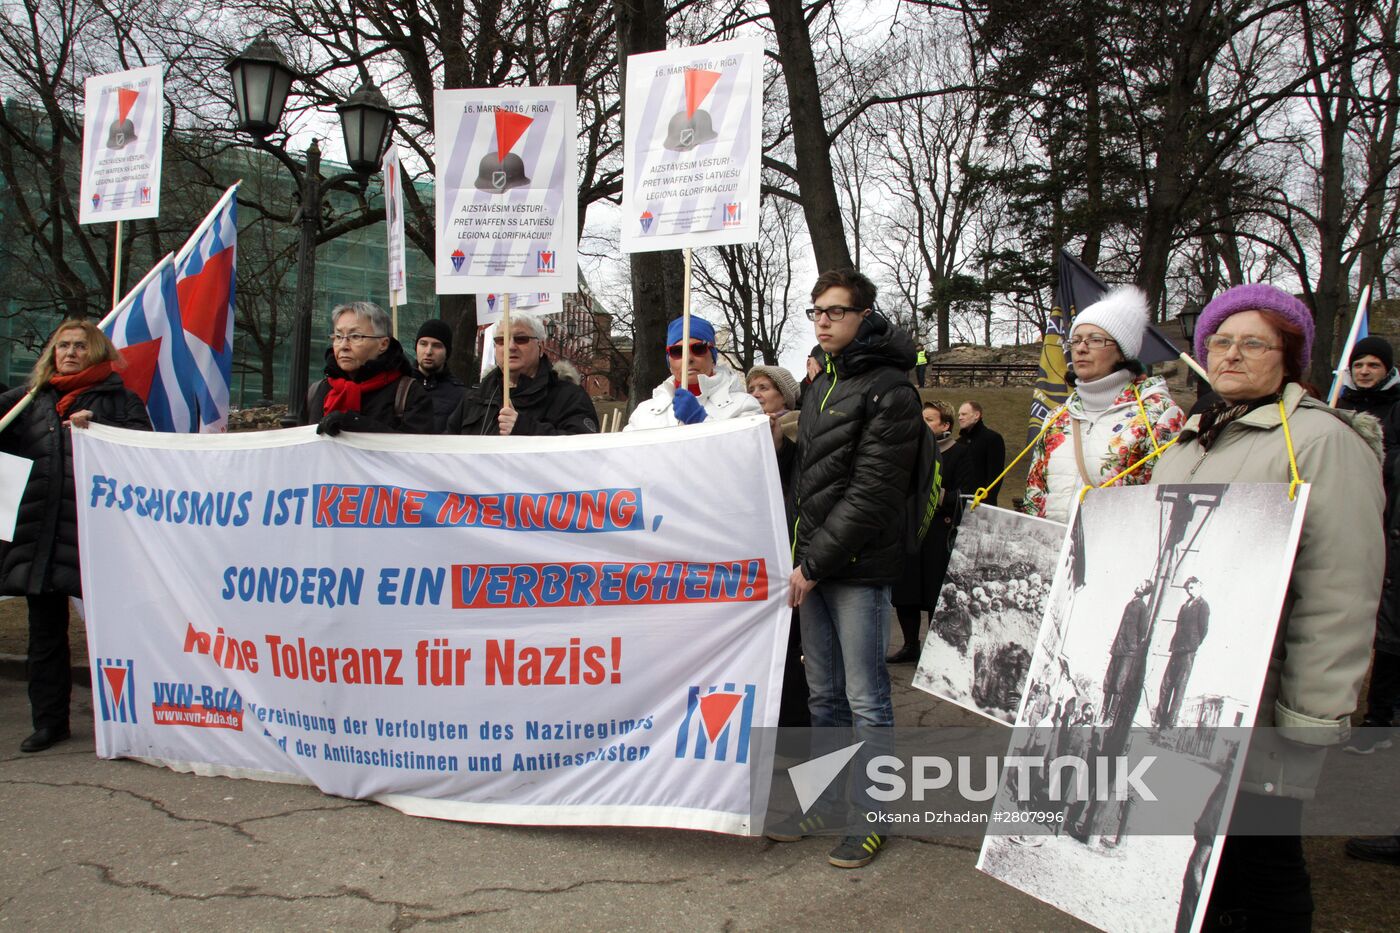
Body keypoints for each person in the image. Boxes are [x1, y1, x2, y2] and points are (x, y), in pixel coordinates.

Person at [1149, 282, 1384, 931]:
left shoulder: (1318, 441)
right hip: (1185, 701)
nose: (1231, 353)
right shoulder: (1189, 442)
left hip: (1264, 701)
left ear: (1290, 354)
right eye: (1220, 340)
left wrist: (1311, 715)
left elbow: (1340, 588)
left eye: (1254, 341)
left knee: (1264, 863)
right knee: (1199, 862)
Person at [779, 268, 921, 869]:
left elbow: (872, 494)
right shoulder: (820, 386)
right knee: (823, 695)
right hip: (813, 568)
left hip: (856, 570)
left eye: (836, 311)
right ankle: (827, 798)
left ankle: (871, 817)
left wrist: (812, 562)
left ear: (865, 316)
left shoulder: (892, 389)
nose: (824, 321)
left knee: (867, 701)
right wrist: (798, 558)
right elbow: (808, 483)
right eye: (816, 312)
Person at [0, 320, 151, 752]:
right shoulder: (29, 401)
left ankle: (128, 717)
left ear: (98, 352)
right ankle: (50, 721)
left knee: (116, 630)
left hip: (98, 537)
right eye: (62, 345)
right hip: (39, 537)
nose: (69, 352)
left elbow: (147, 452)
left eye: (80, 346)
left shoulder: (120, 401)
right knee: (44, 633)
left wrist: (100, 428)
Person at [1021, 287, 1185, 523]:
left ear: (1122, 351)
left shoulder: (1159, 414)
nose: (1081, 348)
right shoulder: (1058, 417)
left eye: (1095, 340)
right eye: (1075, 340)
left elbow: (1165, 507)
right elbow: (1035, 494)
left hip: (1118, 553)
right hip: (1054, 550)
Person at [746, 363, 808, 727]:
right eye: (752, 387)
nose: (757, 393)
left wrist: (777, 444)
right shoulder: (739, 427)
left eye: (765, 387)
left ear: (784, 395)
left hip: (788, 544)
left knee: (791, 645)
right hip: (755, 546)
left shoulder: (798, 426)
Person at [888, 401, 970, 663]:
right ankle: (910, 645)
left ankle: (938, 650)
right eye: (921, 418)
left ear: (945, 425)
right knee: (906, 592)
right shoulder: (906, 452)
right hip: (910, 530)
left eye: (930, 419)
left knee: (938, 594)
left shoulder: (960, 453)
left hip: (939, 532)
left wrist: (938, 496)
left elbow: (970, 494)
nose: (922, 424)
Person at [447, 313, 598, 436]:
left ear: (541, 347)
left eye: (521, 339)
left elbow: (583, 451)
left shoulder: (569, 397)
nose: (511, 346)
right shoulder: (475, 398)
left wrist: (524, 428)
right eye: (501, 340)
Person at [304, 301, 434, 435]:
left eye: (355, 336)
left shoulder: (408, 393)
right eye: (338, 336)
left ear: (383, 344)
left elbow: (415, 450)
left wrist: (357, 425)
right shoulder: (317, 391)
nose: (343, 345)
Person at [624, 315, 761, 430]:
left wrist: (700, 420)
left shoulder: (744, 406)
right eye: (677, 351)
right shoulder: (643, 413)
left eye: (698, 348)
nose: (688, 358)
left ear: (713, 358)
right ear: (669, 362)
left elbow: (747, 456)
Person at [1156, 577, 1209, 729]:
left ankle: (1169, 723)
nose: (1189, 591)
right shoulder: (1184, 606)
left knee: (1179, 687)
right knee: (1166, 685)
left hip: (1188, 651)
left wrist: (1194, 644)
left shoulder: (1203, 605)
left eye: (1191, 588)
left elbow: (1203, 629)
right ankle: (1159, 721)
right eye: (1187, 589)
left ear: (1199, 586)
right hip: (1177, 648)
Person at [1103, 580, 1152, 726]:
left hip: (1128, 652)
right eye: (1139, 584)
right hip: (1118, 648)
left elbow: (1143, 632)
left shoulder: (1142, 608)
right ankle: (1103, 712)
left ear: (1145, 591)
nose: (1138, 586)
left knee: (1119, 684)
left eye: (1142, 586)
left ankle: (1111, 717)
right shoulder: (1130, 603)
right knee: (1109, 682)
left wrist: (1133, 647)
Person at [412, 319, 466, 432]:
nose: (428, 351)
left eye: (436, 346)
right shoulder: (401, 385)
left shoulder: (461, 395)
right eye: (423, 344)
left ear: (447, 352)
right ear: (416, 347)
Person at [956, 400, 1006, 506]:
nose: (960, 417)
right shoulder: (958, 443)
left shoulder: (992, 439)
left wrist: (986, 501)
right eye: (959, 414)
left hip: (982, 503)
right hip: (959, 503)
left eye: (964, 414)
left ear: (976, 415)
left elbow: (995, 475)